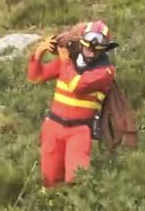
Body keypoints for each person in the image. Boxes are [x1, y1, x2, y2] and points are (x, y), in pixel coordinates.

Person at [27, 20, 118, 188]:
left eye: (96, 47)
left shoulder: (105, 71)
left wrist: (65, 62)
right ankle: (51, 209)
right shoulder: (69, 61)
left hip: (79, 131)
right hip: (53, 127)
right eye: (88, 44)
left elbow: (76, 85)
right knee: (50, 179)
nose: (91, 49)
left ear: (104, 49)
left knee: (77, 179)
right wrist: (39, 52)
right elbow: (35, 77)